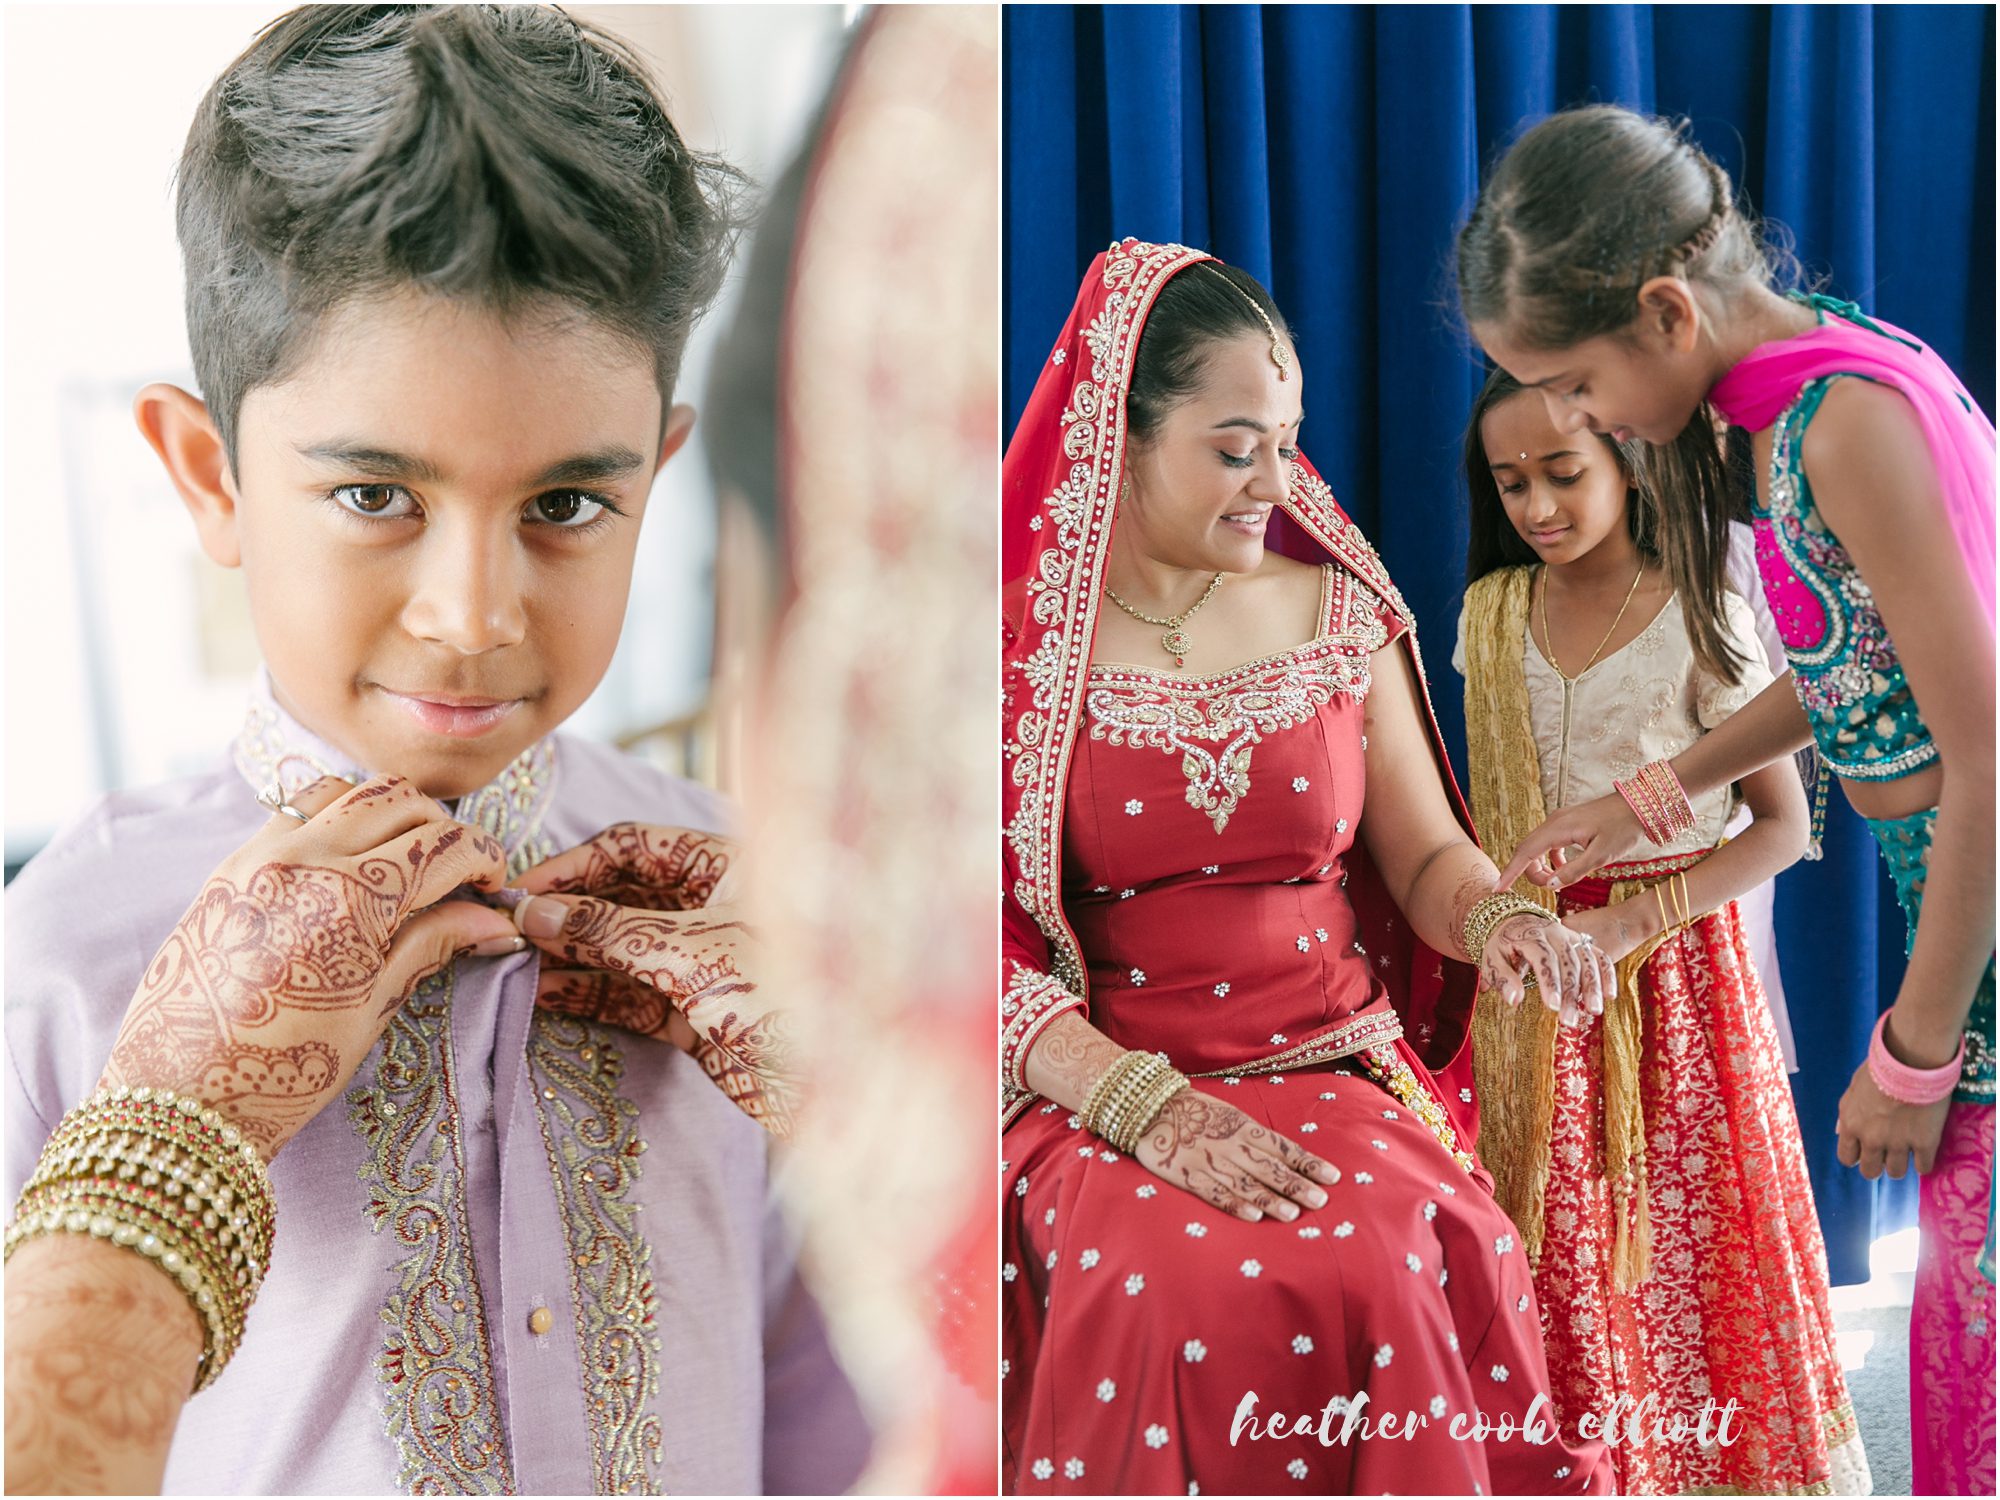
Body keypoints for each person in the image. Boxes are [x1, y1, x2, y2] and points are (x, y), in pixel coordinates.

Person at [2, 8, 866, 1493]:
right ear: (209, 476)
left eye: (566, 506)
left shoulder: (750, 924)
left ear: (654, 476)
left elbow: (837, 1420)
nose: (473, 616)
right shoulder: (73, 957)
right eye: (374, 496)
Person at [1000, 238, 1615, 1494]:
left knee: (1394, 1254)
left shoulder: (1337, 611)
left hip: (1325, 1056)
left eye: (1285, 444)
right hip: (1094, 1084)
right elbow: (946, 938)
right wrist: (1137, 1105)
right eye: (1236, 449)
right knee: (1162, 1287)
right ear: (1117, 434)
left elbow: (1427, 854)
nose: (1273, 484)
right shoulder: (1005, 648)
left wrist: (1497, 920)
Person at [1458, 102, 1995, 1495]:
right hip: (1955, 909)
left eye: (1574, 384)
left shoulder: (1843, 427)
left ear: (1663, 313)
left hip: (1975, 943)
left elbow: (1989, 758)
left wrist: (1916, 1052)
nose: (1578, 418)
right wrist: (1644, 797)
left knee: (1975, 1354)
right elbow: (1851, 663)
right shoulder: (1808, 393)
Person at [1453, 368, 1866, 1492]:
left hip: (1679, 985)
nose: (1537, 506)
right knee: (1561, 1244)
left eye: (1563, 472)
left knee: (1689, 1244)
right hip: (1534, 981)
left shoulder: (1701, 612)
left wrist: (1641, 916)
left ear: (1629, 462)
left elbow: (1781, 828)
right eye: (1511, 483)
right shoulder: (1490, 615)